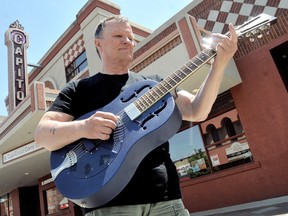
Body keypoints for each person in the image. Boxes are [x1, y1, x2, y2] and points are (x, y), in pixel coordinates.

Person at [34, 15, 238, 216]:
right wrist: (84, 127)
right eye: (118, 36)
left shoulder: (154, 84)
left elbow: (196, 110)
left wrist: (218, 65)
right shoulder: (79, 89)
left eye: (131, 37)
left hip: (166, 200)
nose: (127, 41)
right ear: (99, 44)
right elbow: (43, 135)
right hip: (110, 206)